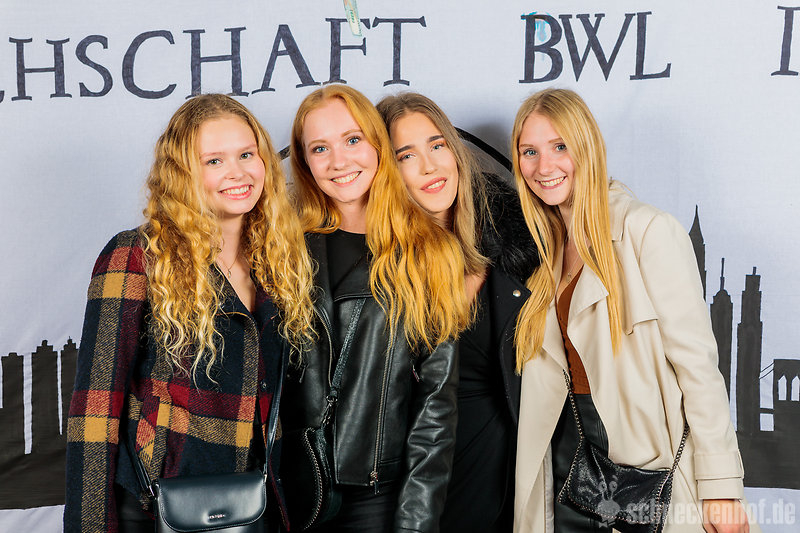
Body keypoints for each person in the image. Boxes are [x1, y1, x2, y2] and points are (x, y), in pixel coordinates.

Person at [64, 94, 316, 533]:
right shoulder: (137, 254)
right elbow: (95, 407)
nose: (237, 172)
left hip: (250, 505)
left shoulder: (278, 262)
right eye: (214, 161)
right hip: (154, 508)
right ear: (183, 173)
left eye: (246, 154)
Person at [510, 88, 755, 532]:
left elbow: (698, 368)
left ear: (588, 147)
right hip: (569, 465)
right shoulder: (545, 258)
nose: (544, 167)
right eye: (530, 152)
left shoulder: (647, 230)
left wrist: (720, 487)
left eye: (560, 146)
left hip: (646, 467)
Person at [281, 84, 469, 533]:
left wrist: (415, 522)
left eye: (352, 140)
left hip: (377, 498)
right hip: (290, 493)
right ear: (305, 162)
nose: (339, 161)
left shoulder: (428, 253)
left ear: (377, 145)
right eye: (320, 148)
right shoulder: (282, 249)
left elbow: (435, 411)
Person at [376, 92, 539, 532]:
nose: (430, 166)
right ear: (387, 171)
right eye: (406, 155)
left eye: (437, 145)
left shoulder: (516, 246)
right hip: (429, 480)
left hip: (518, 473)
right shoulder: (384, 270)